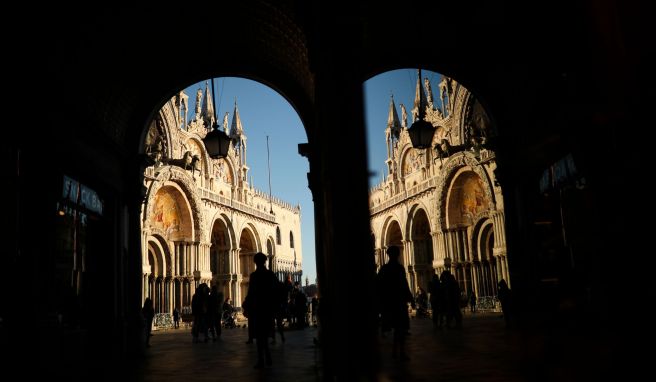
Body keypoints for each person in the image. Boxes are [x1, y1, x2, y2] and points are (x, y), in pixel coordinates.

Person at [377, 246, 415, 361]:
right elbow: (404, 285)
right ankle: (400, 352)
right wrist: (411, 299)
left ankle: (395, 351)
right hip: (398, 303)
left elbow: (378, 287)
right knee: (400, 329)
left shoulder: (384, 269)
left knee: (397, 329)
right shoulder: (399, 268)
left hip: (390, 304)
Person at [242, 252, 279, 368]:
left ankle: (261, 360)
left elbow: (251, 292)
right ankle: (267, 357)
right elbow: (276, 290)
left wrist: (246, 304)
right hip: (268, 309)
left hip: (257, 309)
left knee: (259, 336)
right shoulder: (271, 274)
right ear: (265, 261)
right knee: (264, 335)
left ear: (255, 262)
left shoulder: (254, 276)